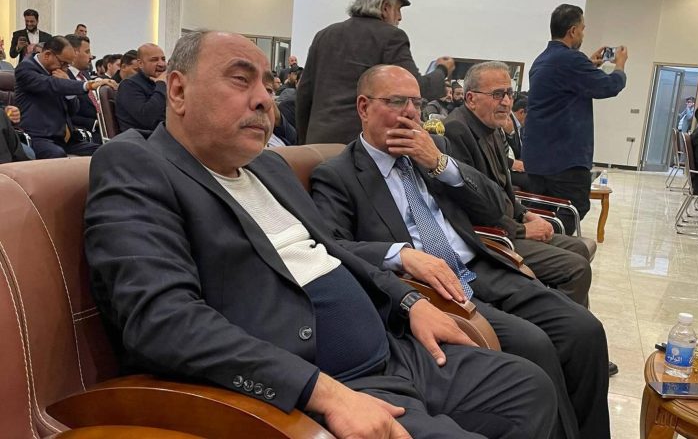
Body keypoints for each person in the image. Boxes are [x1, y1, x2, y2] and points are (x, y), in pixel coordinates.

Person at [85, 30, 558, 439]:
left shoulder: (268, 167)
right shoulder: (138, 164)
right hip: (314, 382)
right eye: (240, 79)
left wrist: (409, 302)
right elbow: (162, 321)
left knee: (529, 387)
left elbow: (336, 251)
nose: (264, 100)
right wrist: (321, 391)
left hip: (393, 351)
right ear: (178, 90)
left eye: (267, 85)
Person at [310, 64, 610, 439]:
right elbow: (334, 247)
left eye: (416, 103)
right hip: (431, 288)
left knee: (584, 330)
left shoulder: (433, 152)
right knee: (534, 345)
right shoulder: (338, 174)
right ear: (364, 107)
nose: (410, 112)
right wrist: (400, 254)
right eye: (397, 101)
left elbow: (494, 207)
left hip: (479, 265)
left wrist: (439, 164)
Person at [444, 61, 594, 309]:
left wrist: (526, 214)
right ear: (470, 98)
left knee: (578, 247)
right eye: (497, 94)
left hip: (508, 224)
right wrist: (521, 230)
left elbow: (503, 188)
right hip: (490, 238)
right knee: (576, 268)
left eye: (509, 93)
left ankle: (565, 314)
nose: (506, 102)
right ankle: (564, 324)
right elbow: (471, 204)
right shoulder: (456, 130)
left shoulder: (492, 127)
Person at [523, 4, 627, 234]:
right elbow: (608, 86)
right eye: (582, 29)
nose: (583, 34)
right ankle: (545, 242)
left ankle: (540, 243)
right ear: (572, 31)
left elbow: (563, 85)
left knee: (543, 209)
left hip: (538, 156)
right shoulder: (571, 60)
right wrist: (620, 66)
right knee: (574, 208)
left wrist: (587, 65)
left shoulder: (542, 60)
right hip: (564, 158)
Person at [296, 0, 455, 144]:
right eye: (398, 9)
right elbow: (416, 88)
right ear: (385, 8)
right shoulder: (391, 37)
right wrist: (442, 70)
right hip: (360, 146)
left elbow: (304, 95)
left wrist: (304, 144)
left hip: (318, 142)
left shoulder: (324, 35)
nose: (400, 17)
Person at [14, 36, 115, 159]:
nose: (66, 68)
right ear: (47, 55)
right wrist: (88, 85)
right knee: (57, 154)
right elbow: (51, 84)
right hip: (38, 137)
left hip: (65, 138)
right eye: (63, 63)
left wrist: (69, 91)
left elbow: (73, 110)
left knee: (105, 151)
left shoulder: (60, 74)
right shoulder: (25, 69)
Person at [115, 43, 167, 132]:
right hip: (143, 137)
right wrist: (161, 84)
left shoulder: (161, 82)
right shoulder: (129, 85)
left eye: (163, 59)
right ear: (140, 63)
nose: (161, 64)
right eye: (154, 60)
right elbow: (147, 118)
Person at [64, 35, 100, 136]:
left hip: (101, 130)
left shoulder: (85, 74)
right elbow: (66, 113)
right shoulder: (63, 77)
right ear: (74, 53)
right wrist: (94, 123)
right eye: (87, 52)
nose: (91, 56)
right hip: (83, 133)